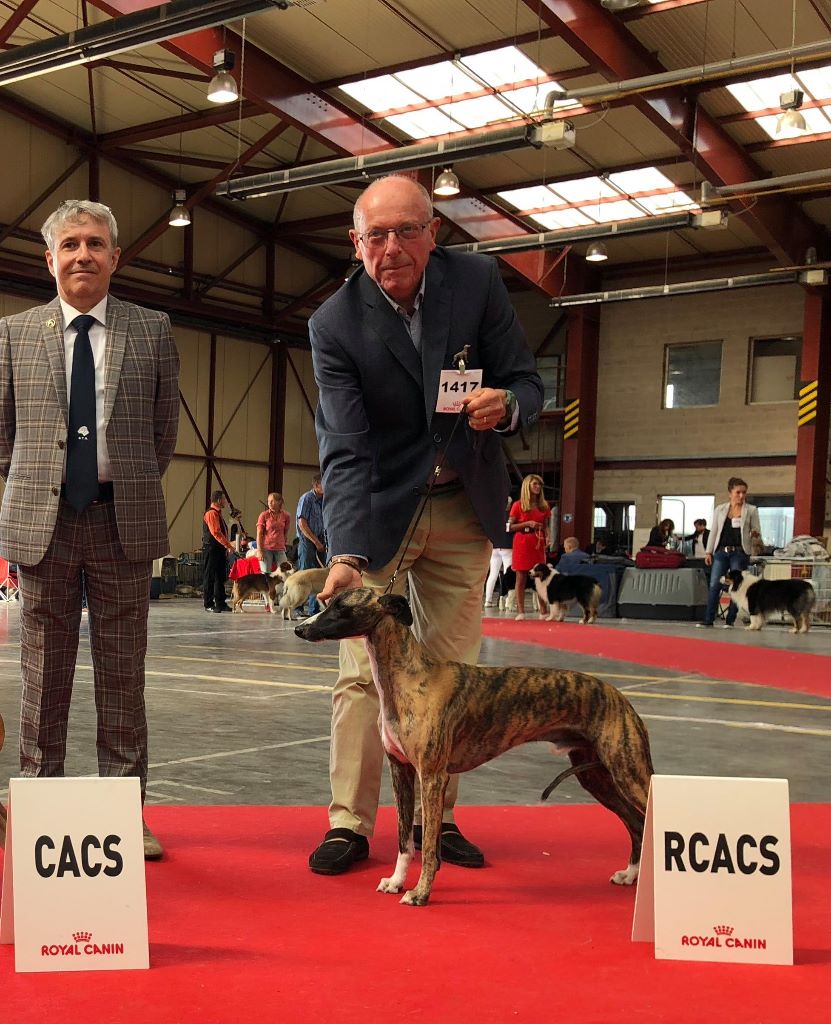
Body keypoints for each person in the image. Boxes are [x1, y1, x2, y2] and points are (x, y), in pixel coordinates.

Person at [306, 174, 543, 875]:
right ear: (356, 245)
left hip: (462, 502)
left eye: (406, 230)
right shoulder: (334, 324)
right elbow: (344, 448)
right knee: (362, 671)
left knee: (455, 671)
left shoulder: (475, 284)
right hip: (377, 510)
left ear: (433, 232)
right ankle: (349, 823)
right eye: (375, 235)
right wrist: (345, 552)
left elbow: (526, 380)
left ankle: (436, 823)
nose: (391, 247)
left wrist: (509, 404)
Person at [0, 199, 179, 860]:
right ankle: (39, 806)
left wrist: (114, 481)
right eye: (70, 244)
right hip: (42, 522)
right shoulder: (13, 334)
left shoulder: (152, 329)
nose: (83, 254)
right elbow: (3, 438)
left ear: (115, 256)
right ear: (49, 259)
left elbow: (162, 437)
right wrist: (43, 485)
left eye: (95, 244)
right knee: (41, 674)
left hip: (119, 519)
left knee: (122, 674)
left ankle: (125, 814)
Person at [697, 477, 762, 628]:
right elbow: (713, 532)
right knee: (714, 584)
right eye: (738, 492)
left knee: (737, 586)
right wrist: (708, 552)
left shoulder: (751, 510)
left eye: (744, 493)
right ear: (730, 493)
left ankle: (730, 620)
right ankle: (708, 619)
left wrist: (755, 534)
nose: (741, 496)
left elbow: (757, 530)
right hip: (720, 552)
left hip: (740, 552)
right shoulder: (720, 509)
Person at [509, 475, 550, 621]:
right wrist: (527, 524)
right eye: (535, 484)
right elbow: (510, 527)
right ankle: (521, 611)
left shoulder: (544, 506)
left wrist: (548, 537)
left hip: (538, 541)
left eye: (539, 484)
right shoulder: (518, 505)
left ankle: (543, 610)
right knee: (521, 577)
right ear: (528, 486)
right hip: (522, 541)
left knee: (540, 576)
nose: (538, 487)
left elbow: (545, 526)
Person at [296, 473, 326, 616]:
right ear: (316, 485)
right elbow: (302, 523)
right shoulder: (307, 498)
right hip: (307, 540)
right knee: (305, 573)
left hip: (320, 539)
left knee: (319, 576)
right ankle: (298, 608)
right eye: (324, 483)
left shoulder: (323, 500)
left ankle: (314, 609)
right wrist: (315, 541)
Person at [203, 490, 234, 613]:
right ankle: (208, 604)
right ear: (218, 500)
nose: (226, 502)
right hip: (212, 548)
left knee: (220, 576)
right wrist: (228, 545)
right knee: (210, 576)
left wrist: (225, 547)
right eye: (224, 499)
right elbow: (216, 532)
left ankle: (220, 603)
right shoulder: (211, 514)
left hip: (219, 549)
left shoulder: (218, 513)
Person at [483, 495, 513, 608]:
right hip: (507, 546)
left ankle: (488, 600)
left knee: (492, 574)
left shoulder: (494, 515)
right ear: (509, 504)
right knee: (507, 574)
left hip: (494, 547)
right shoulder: (511, 515)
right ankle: (506, 602)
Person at [256, 492, 290, 572]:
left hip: (280, 548)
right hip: (266, 548)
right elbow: (259, 533)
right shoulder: (264, 515)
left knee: (284, 572)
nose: (269, 503)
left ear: (279, 502)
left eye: (272, 501)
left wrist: (283, 543)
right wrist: (260, 550)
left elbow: (285, 532)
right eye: (268, 501)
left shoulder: (286, 515)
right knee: (266, 573)